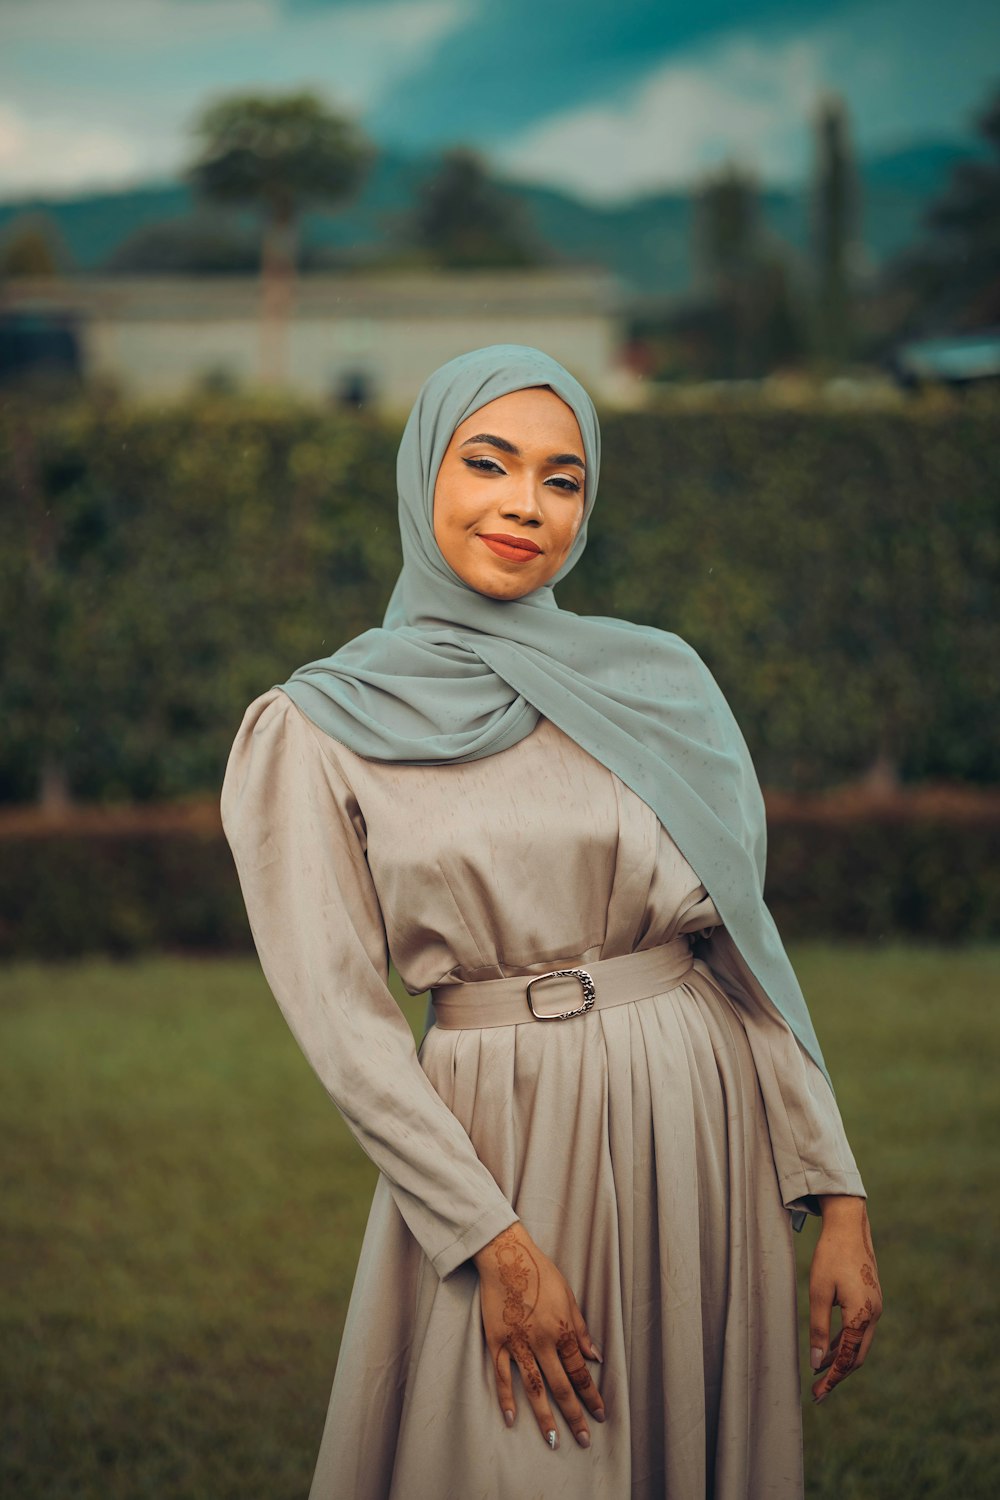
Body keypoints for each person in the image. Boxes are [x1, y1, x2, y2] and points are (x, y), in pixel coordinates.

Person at [221, 344, 882, 1500]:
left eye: (562, 478)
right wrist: (491, 1240)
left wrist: (836, 1191)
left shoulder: (658, 682)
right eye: (488, 463)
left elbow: (737, 951)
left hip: (700, 1127)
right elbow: (342, 1021)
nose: (526, 504)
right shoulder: (312, 726)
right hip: (498, 1148)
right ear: (423, 474)